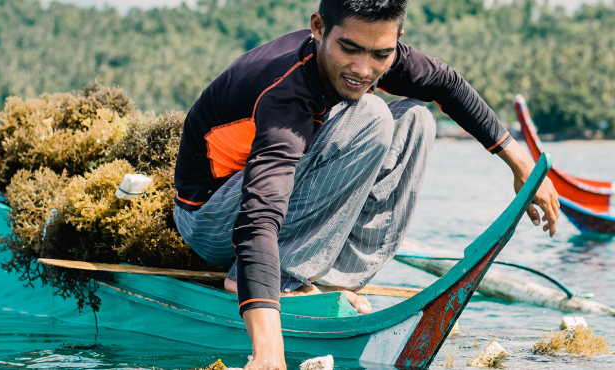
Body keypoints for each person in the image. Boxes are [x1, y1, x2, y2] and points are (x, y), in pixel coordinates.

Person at [173, 0, 560, 368]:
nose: (363, 68)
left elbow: (447, 84)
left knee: (416, 120)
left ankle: (331, 280)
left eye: (381, 54)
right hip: (211, 219)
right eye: (349, 49)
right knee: (372, 115)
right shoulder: (286, 93)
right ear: (319, 28)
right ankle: (281, 278)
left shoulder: (375, 51)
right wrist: (269, 355)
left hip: (260, 210)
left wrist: (520, 165)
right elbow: (258, 217)